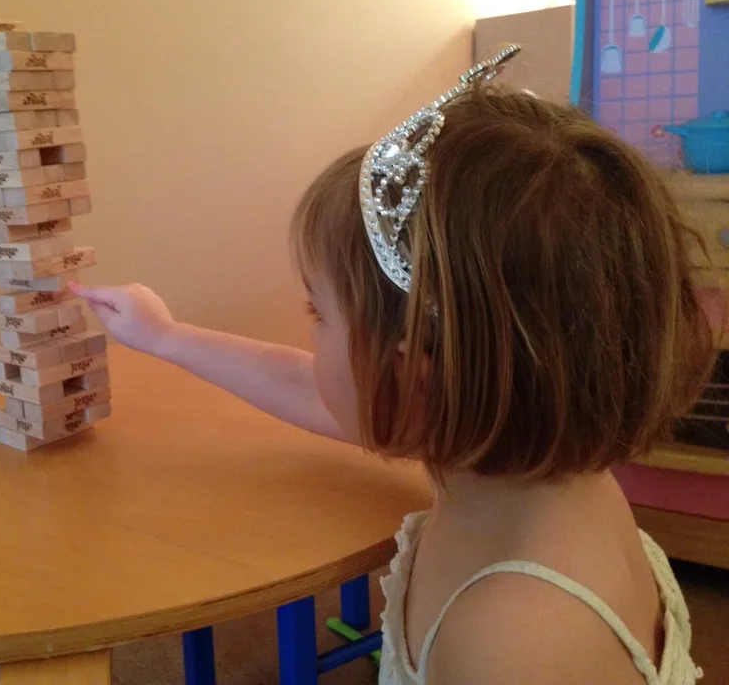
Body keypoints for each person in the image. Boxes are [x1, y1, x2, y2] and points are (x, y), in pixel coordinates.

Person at [70, 48, 713, 684]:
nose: (309, 334)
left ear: (411, 379)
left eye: (317, 313)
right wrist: (167, 336)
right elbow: (303, 383)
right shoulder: (530, 461)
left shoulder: (513, 643)